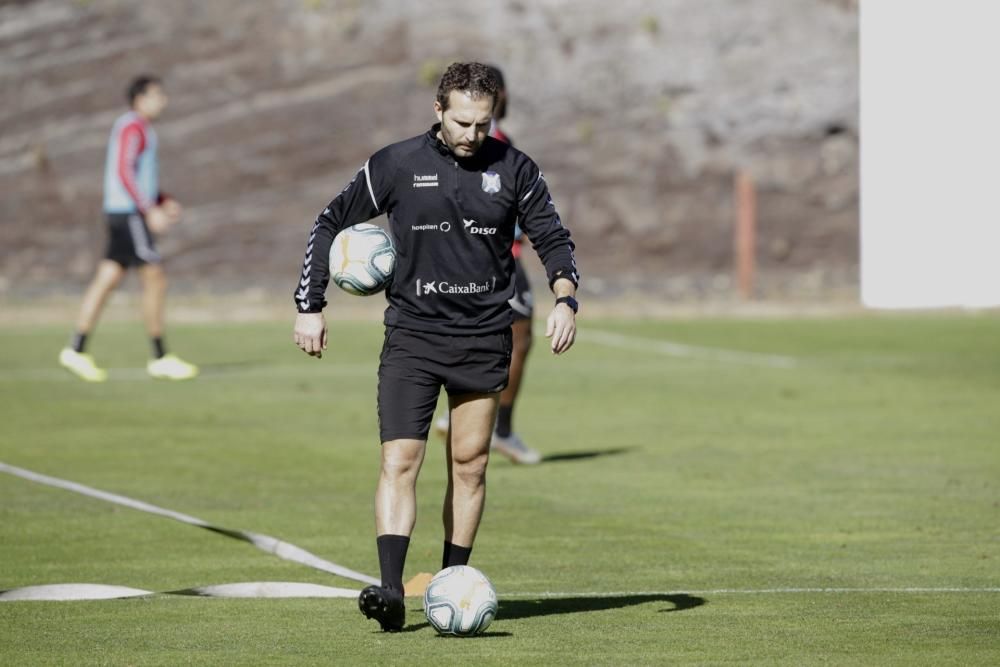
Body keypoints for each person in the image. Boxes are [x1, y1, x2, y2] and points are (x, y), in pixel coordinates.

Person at [292, 62, 579, 632]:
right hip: (414, 337)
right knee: (400, 460)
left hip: (483, 336)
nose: (473, 134)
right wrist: (310, 304)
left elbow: (553, 237)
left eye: (483, 123)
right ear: (439, 111)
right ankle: (392, 590)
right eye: (463, 122)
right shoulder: (397, 163)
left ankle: (452, 581)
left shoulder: (515, 167)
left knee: (469, 465)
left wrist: (566, 298)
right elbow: (328, 221)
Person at [433, 64, 542, 464]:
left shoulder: (487, 139)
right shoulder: (489, 139)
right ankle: (499, 427)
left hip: (485, 254)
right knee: (518, 337)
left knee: (492, 334)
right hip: (494, 260)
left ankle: (475, 417)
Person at [58, 75, 198, 382]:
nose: (163, 101)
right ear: (140, 99)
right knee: (155, 276)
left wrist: (163, 199)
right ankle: (160, 356)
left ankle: (76, 350)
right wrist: (149, 210)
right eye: (157, 95)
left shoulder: (141, 129)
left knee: (107, 278)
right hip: (130, 214)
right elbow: (124, 169)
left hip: (122, 212)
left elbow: (139, 176)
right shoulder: (133, 126)